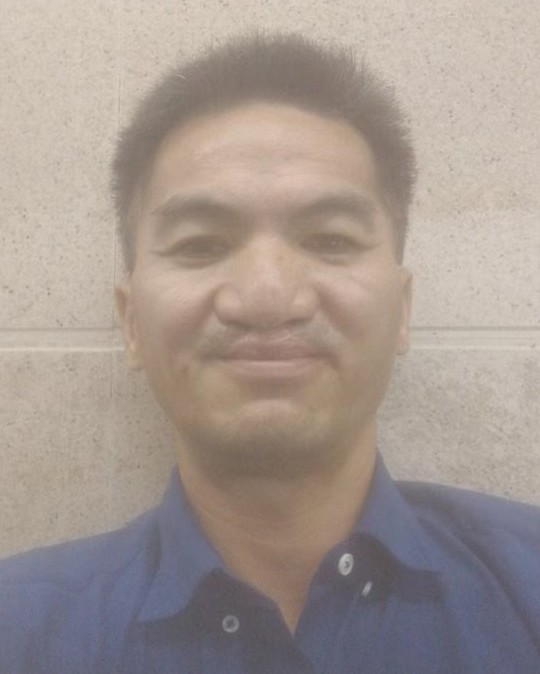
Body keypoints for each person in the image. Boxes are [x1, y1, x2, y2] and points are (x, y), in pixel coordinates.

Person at [1, 32, 539, 674]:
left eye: (330, 239)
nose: (267, 296)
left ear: (401, 311)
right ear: (131, 323)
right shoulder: (19, 629)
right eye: (201, 245)